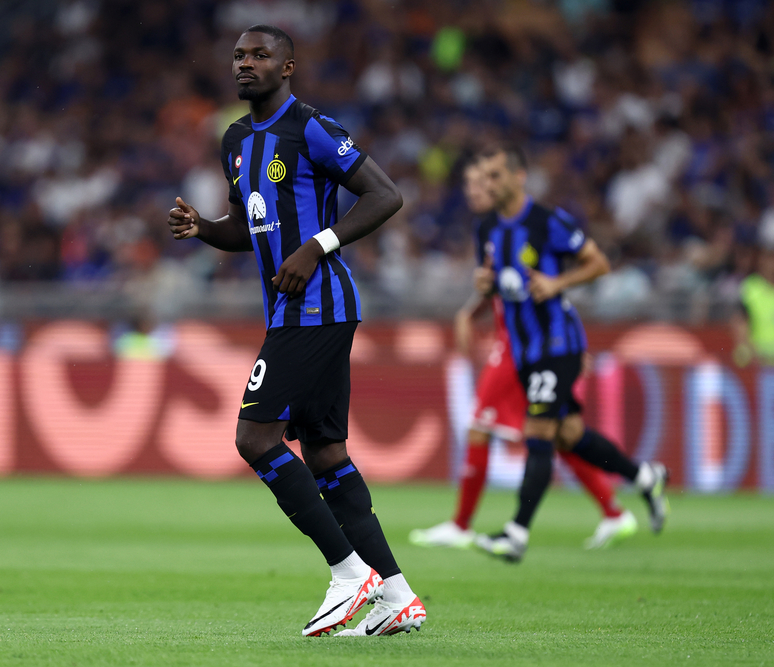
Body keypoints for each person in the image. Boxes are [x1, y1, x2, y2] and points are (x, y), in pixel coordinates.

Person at [166, 25, 425, 637]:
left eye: (260, 55)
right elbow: (247, 226)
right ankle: (396, 595)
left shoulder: (311, 127)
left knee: (254, 438)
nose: (246, 64)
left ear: (287, 67)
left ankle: (348, 573)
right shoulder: (235, 139)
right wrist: (204, 228)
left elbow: (385, 195)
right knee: (326, 453)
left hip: (318, 306)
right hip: (294, 311)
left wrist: (316, 245)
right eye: (239, 55)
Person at [409, 160, 637, 551]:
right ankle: (614, 511)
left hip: (523, 348)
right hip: (517, 344)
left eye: (481, 182)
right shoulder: (487, 230)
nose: (474, 190)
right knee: (559, 434)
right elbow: (501, 287)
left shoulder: (530, 225)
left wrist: (572, 346)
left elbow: (547, 289)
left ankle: (463, 525)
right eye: (470, 184)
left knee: (485, 426)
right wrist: (470, 310)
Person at [468, 144, 670, 563]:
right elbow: (499, 284)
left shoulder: (547, 221)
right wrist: (485, 285)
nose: (489, 184)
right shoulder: (487, 229)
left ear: (519, 177)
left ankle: (516, 534)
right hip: (524, 351)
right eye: (484, 177)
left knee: (538, 432)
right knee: (569, 434)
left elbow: (598, 263)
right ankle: (643, 476)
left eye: (496, 175)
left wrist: (558, 284)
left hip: (558, 344)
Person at [732, 247, 774, 367]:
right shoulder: (750, 287)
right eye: (770, 258)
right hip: (757, 359)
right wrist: (747, 347)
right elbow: (740, 321)